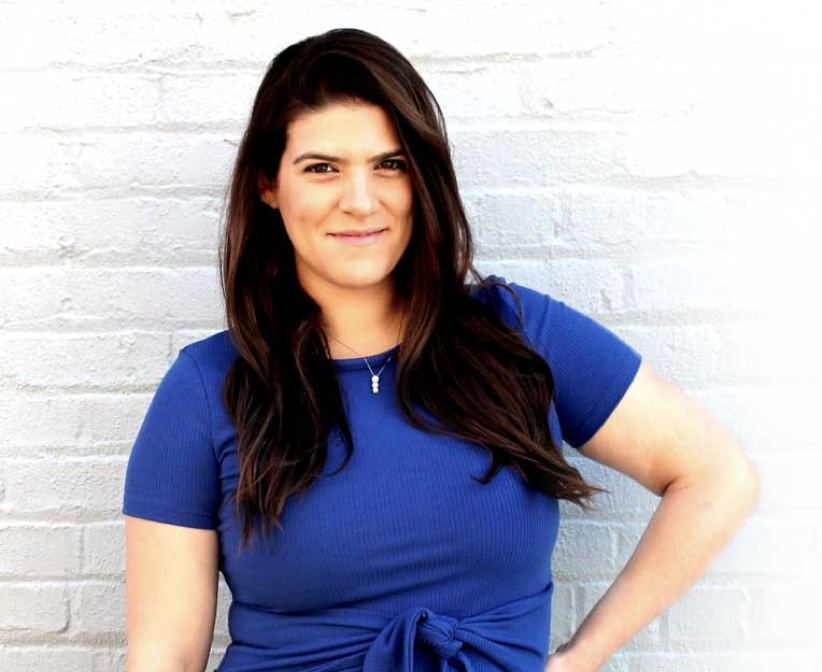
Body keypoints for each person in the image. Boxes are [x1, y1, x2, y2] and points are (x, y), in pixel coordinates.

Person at [122, 27, 761, 672]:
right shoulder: (206, 388)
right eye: (322, 168)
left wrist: (580, 657)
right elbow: (164, 657)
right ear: (268, 184)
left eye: (389, 164)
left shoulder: (518, 335)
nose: (360, 201)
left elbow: (716, 476)